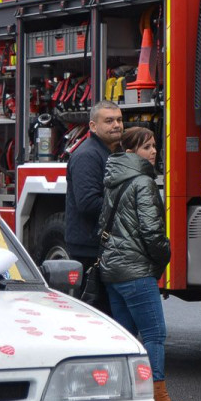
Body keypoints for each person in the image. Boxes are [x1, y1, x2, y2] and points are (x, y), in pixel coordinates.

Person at [95, 126, 193, 401]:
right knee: (154, 333)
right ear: (130, 151)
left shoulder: (113, 178)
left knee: (125, 337)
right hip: (136, 271)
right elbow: (152, 232)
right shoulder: (143, 183)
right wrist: (164, 256)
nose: (153, 152)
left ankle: (118, 395)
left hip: (113, 269)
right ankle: (158, 396)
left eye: (153, 146)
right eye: (147, 147)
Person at [65, 101, 123, 288]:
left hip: (103, 246)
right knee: (96, 311)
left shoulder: (111, 152)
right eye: (109, 121)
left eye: (119, 120)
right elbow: (88, 203)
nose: (116, 125)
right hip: (90, 250)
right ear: (93, 126)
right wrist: (128, 206)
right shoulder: (87, 156)